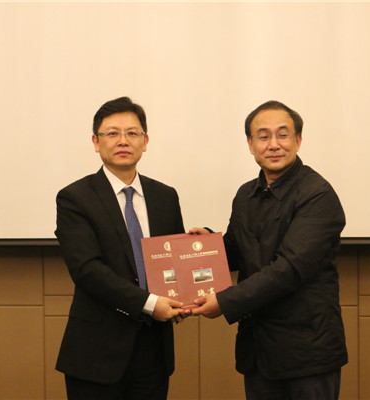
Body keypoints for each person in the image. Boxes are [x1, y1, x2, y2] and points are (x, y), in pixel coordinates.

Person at [192, 100, 347, 399]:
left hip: (307, 352)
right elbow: (239, 250)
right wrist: (208, 246)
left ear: (298, 140)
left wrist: (224, 302)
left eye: (282, 135)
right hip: (258, 351)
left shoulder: (318, 195)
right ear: (250, 145)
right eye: (263, 136)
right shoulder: (246, 194)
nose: (273, 145)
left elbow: (288, 269)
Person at [55, 97, 187, 399]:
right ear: (96, 142)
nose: (123, 141)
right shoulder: (75, 198)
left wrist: (183, 296)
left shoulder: (165, 196)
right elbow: (87, 270)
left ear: (145, 141)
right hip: (96, 352)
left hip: (154, 350)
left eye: (132, 133)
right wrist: (150, 303)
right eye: (112, 133)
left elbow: (172, 264)